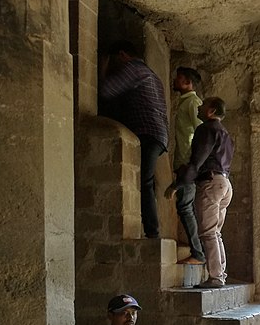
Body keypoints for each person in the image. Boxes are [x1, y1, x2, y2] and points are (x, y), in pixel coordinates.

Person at [99, 41, 169, 239]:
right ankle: (151, 229)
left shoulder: (133, 68)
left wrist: (103, 69)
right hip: (159, 133)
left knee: (145, 182)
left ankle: (152, 233)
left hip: (148, 131)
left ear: (123, 55)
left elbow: (106, 90)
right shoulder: (151, 73)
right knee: (148, 181)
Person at [165, 97, 234, 289]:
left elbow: (197, 161)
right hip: (225, 182)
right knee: (215, 232)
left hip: (210, 182)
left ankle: (216, 278)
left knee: (208, 232)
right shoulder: (225, 133)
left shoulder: (206, 129)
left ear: (211, 111)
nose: (199, 107)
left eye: (203, 106)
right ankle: (220, 274)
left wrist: (177, 184)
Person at [171, 67, 205, 265]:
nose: (175, 81)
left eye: (179, 78)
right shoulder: (187, 102)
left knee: (185, 207)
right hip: (186, 164)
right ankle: (197, 252)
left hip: (187, 165)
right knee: (186, 206)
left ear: (187, 83)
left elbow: (200, 132)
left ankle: (198, 254)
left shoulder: (192, 103)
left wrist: (191, 164)